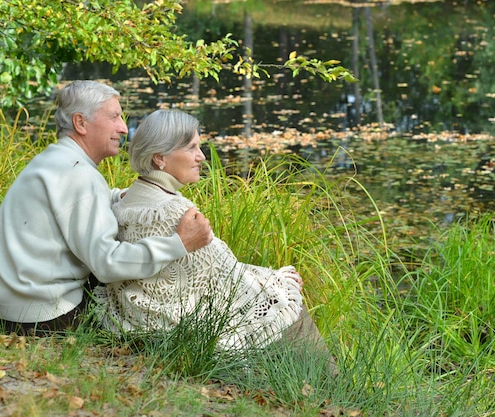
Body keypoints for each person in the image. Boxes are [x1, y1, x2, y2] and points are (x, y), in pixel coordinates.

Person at [0, 81, 213, 336]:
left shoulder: (55, 160)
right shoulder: (80, 176)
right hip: (42, 316)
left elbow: (72, 204)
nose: (123, 128)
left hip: (6, 305)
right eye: (114, 117)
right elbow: (107, 264)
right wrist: (179, 243)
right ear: (80, 123)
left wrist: (119, 196)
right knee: (141, 293)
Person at [95, 109, 331, 356]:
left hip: (135, 313)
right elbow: (230, 277)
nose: (201, 157)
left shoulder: (126, 200)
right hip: (168, 322)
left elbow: (211, 269)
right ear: (159, 158)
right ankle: (331, 386)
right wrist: (281, 279)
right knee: (286, 303)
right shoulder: (177, 213)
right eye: (191, 148)